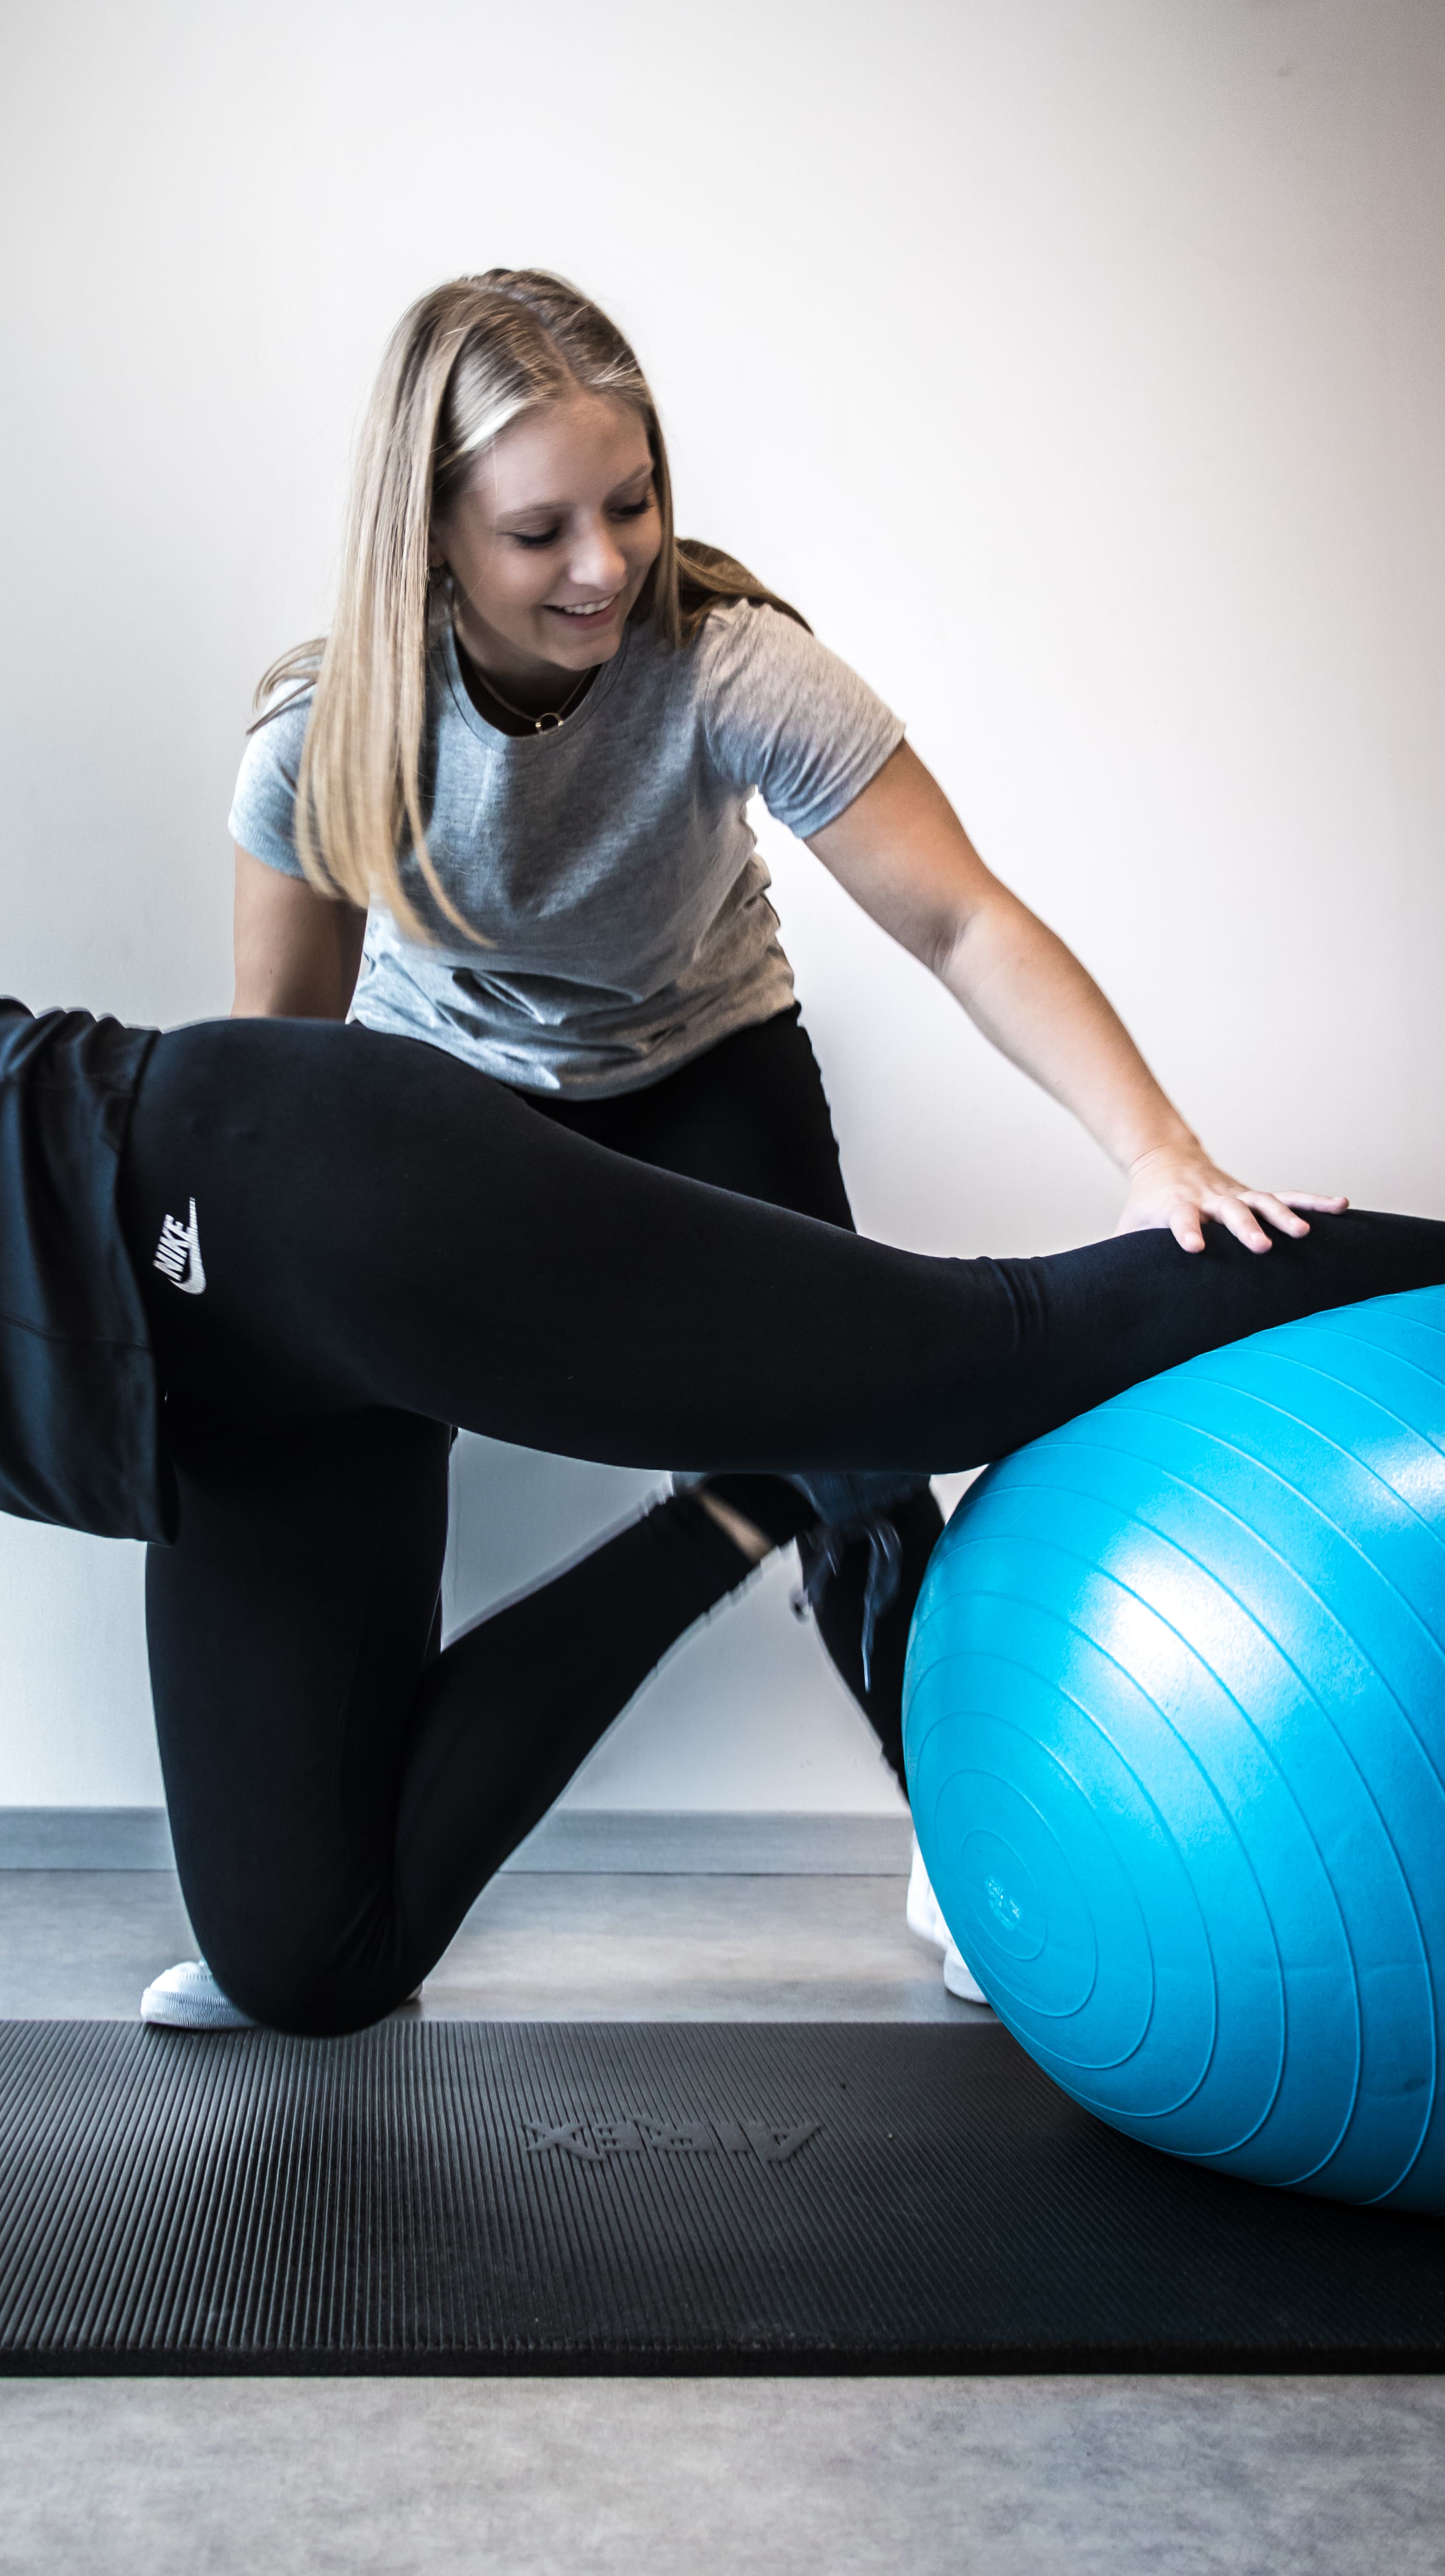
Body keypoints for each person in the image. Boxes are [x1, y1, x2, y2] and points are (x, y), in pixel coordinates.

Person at [0, 915, 1438, 2077]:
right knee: (308, 1960)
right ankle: (750, 1497)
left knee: (992, 1346)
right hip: (208, 1429)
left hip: (272, 1199)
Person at [183, 265, 1339, 2016]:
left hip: (701, 1057)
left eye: (631, 504)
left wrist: (1156, 1146)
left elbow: (963, 923)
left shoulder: (732, 668)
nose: (604, 565)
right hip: (445, 1103)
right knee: (337, 1435)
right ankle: (309, 1879)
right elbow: (272, 1079)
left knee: (857, 1449)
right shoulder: (323, 739)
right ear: (425, 541)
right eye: (540, 531)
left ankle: (973, 1849)